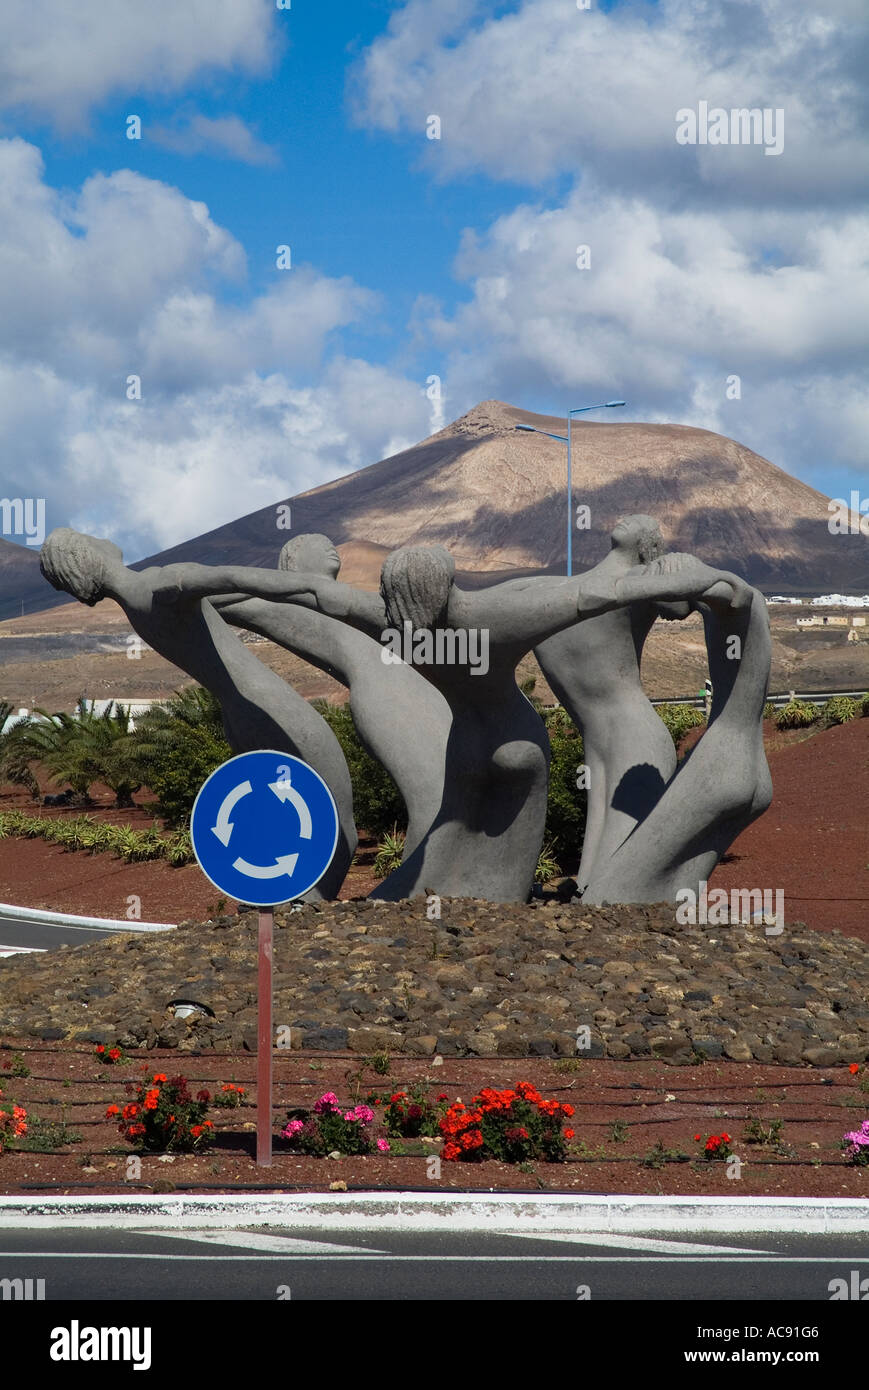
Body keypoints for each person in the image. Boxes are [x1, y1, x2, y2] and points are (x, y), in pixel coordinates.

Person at [38, 528, 357, 901]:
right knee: (338, 820)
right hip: (269, 707)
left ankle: (281, 908)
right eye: (86, 536)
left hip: (240, 715)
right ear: (84, 555)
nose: (100, 537)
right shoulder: (154, 583)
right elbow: (232, 577)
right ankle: (303, 912)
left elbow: (232, 593)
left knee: (290, 814)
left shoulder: (139, 607)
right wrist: (311, 585)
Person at [209, 534, 452, 868]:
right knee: (432, 793)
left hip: (420, 691)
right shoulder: (286, 603)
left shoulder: (349, 599)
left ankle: (439, 872)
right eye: (315, 542)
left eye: (330, 543)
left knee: (445, 783)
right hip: (381, 693)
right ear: (291, 560)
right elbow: (216, 597)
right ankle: (423, 876)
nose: (330, 547)